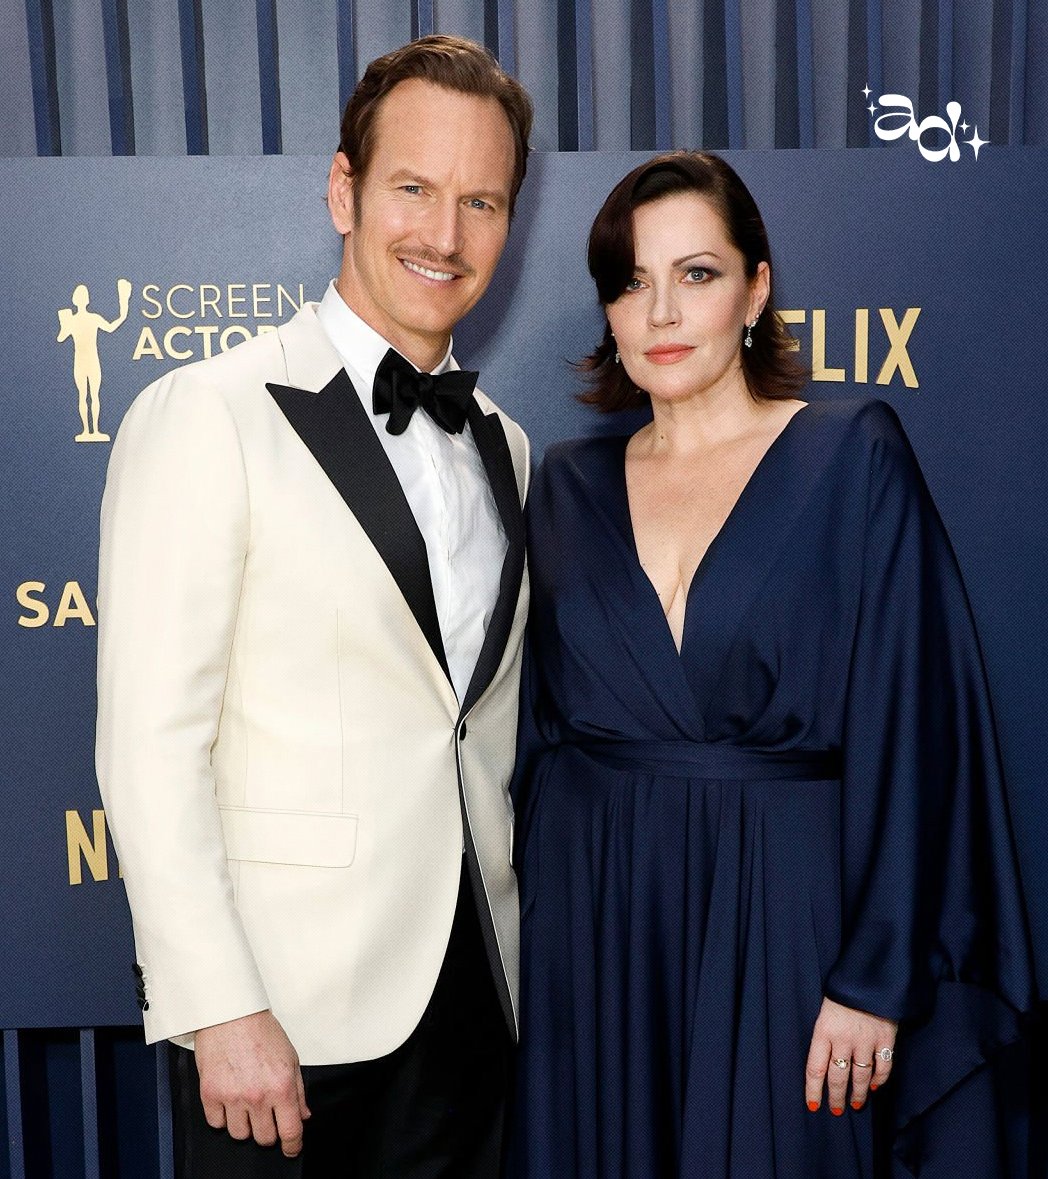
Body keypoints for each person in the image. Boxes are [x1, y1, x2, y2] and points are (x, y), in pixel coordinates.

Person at [508, 151, 1034, 1178]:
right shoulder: (563, 488)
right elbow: (530, 741)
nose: (659, 310)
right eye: (629, 281)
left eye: (695, 274)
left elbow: (916, 730)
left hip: (788, 924)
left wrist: (876, 979)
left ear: (755, 289)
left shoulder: (852, 459)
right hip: (597, 930)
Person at [96, 35, 533, 1178]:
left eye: (480, 200)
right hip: (284, 1023)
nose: (443, 234)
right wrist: (218, 1006)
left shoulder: (509, 449)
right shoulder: (207, 413)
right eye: (412, 189)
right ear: (343, 191)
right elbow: (150, 747)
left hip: (474, 1003)